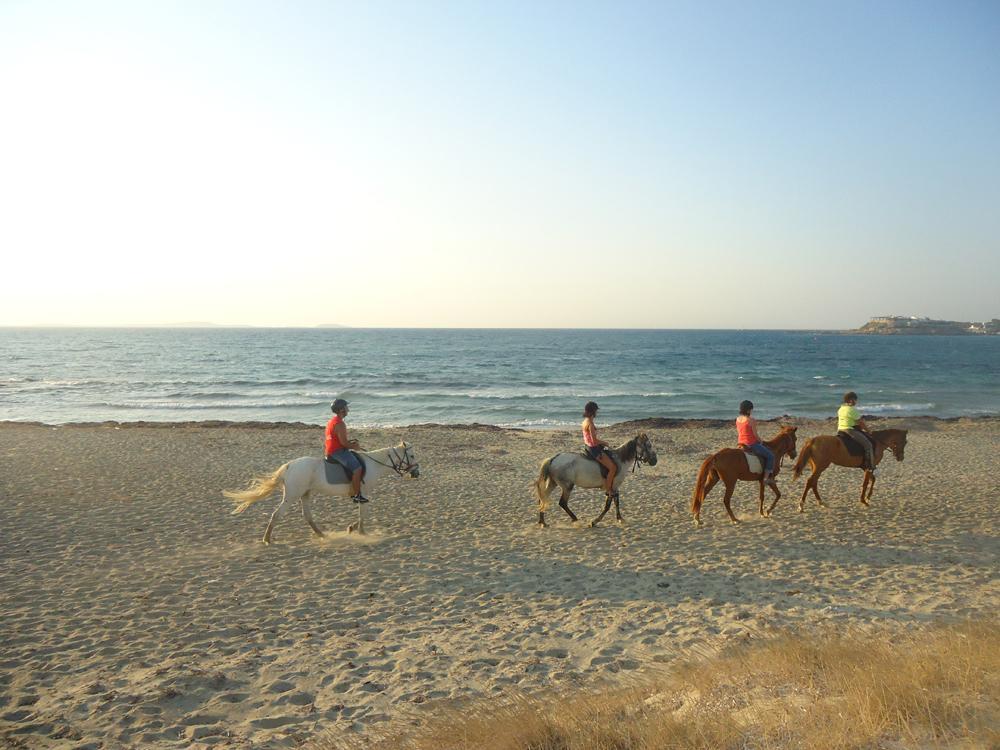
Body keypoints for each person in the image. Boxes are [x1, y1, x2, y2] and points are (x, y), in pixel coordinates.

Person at [325, 398, 367, 502]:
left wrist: (350, 443)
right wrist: (354, 446)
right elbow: (343, 443)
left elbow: (339, 439)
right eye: (346, 407)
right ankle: (357, 495)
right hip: (336, 451)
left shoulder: (332, 421)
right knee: (357, 469)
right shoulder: (340, 424)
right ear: (341, 410)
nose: (348, 410)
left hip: (331, 449)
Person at [736, 400, 777, 487]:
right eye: (751, 409)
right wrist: (760, 441)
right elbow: (755, 435)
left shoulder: (738, 419)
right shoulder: (751, 420)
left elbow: (740, 432)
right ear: (748, 410)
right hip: (751, 444)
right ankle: (766, 478)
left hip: (740, 443)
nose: (752, 411)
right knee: (770, 456)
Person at [582, 401, 617, 497]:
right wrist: (604, 442)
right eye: (596, 411)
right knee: (613, 468)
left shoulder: (585, 421)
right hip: (593, 449)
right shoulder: (590, 424)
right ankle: (609, 491)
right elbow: (594, 441)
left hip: (587, 447)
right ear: (593, 411)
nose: (597, 413)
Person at [838, 391, 877, 475]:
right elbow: (861, 423)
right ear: (851, 400)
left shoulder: (841, 408)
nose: (856, 402)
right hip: (849, 430)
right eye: (855, 400)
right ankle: (870, 466)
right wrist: (868, 431)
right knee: (868, 445)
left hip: (840, 429)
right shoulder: (852, 410)